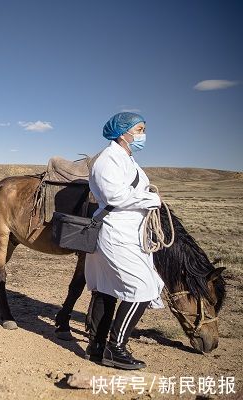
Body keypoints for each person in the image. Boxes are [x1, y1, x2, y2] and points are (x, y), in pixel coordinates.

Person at [84, 112, 164, 370]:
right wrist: (149, 200)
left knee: (107, 288)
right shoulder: (108, 160)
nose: (142, 135)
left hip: (127, 232)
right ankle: (115, 348)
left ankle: (95, 347)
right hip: (115, 232)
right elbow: (114, 196)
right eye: (139, 129)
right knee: (142, 289)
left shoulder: (127, 159)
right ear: (122, 132)